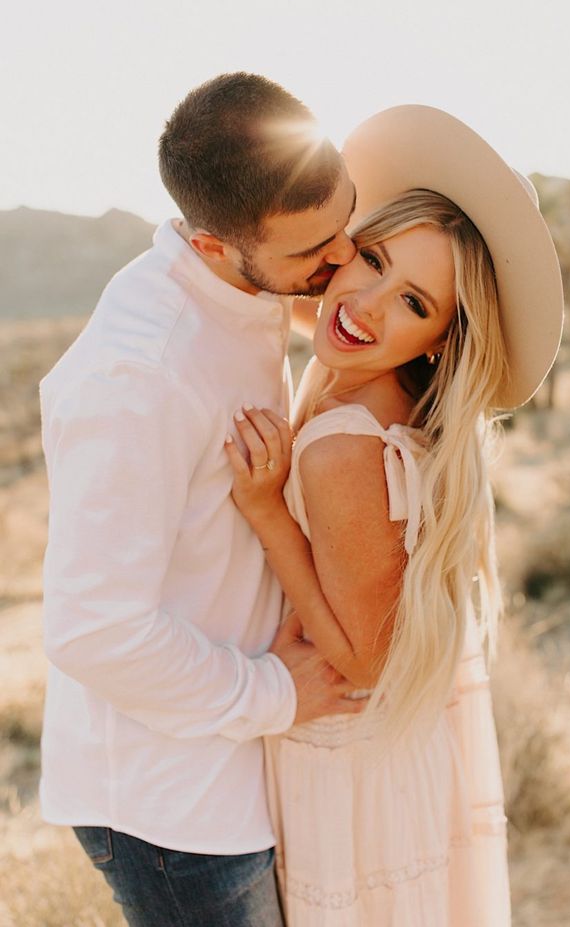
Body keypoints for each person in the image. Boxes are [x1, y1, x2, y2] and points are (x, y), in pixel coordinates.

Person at [39, 72, 366, 927]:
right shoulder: (138, 375)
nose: (341, 261)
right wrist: (273, 693)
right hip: (169, 804)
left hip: (232, 762)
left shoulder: (247, 283)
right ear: (216, 245)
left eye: (346, 223)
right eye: (313, 253)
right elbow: (92, 628)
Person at [225, 105, 564, 925]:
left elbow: (367, 662)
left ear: (440, 340)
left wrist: (268, 511)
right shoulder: (370, 391)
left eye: (412, 302)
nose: (367, 304)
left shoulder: (345, 445)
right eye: (371, 259)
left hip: (352, 768)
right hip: (395, 757)